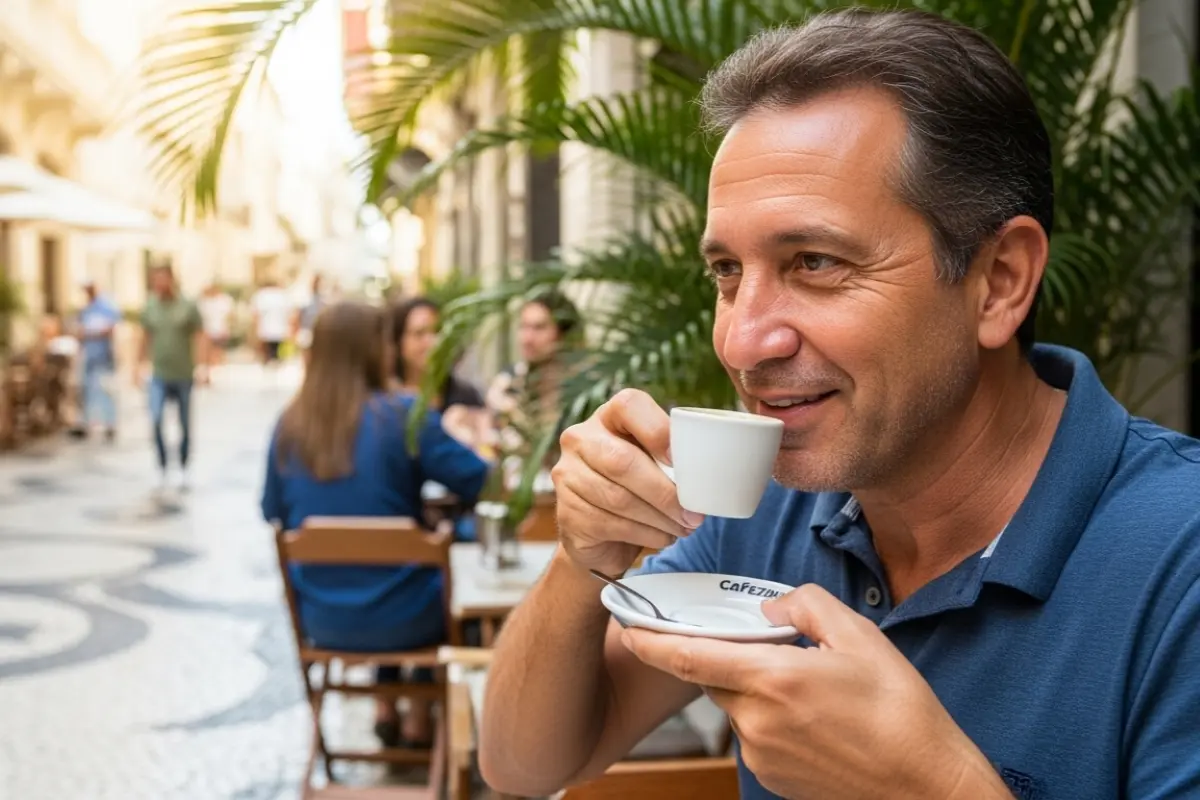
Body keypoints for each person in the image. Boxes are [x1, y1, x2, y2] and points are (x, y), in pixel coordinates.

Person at [478, 9, 1200, 800]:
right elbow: (523, 765)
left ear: (999, 282)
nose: (743, 342)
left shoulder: (1179, 558)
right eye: (726, 272)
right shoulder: (770, 509)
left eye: (815, 262)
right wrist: (582, 559)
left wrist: (934, 787)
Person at [261, 301, 489, 748]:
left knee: (391, 571)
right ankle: (420, 716)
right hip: (411, 618)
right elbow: (480, 480)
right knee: (433, 570)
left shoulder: (289, 424)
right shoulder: (403, 415)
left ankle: (387, 706)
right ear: (373, 349)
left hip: (323, 618)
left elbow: (272, 510)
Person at [485, 289, 581, 474]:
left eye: (539, 328)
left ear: (563, 332)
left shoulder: (586, 389)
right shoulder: (507, 383)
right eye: (523, 327)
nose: (527, 339)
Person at [390, 296, 489, 451]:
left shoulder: (466, 397)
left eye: (438, 331)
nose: (433, 342)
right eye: (419, 333)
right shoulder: (385, 401)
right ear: (398, 342)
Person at [138, 264, 203, 493]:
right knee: (156, 419)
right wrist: (138, 365)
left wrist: (203, 366)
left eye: (163, 279)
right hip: (159, 374)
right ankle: (162, 466)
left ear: (172, 279)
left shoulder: (187, 306)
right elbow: (145, 336)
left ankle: (184, 466)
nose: (159, 284)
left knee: (184, 423)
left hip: (183, 374)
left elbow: (200, 335)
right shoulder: (150, 307)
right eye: (156, 279)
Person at [72, 281, 122, 442]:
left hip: (103, 355)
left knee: (106, 389)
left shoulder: (106, 306)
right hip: (89, 355)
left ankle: (109, 424)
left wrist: (90, 333)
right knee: (86, 389)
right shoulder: (86, 309)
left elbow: (110, 328)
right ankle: (86, 424)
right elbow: (79, 332)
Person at [250, 279, 292, 367]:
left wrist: (255, 326)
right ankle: (274, 360)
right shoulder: (282, 295)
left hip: (267, 328)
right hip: (278, 328)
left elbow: (255, 314)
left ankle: (270, 360)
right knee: (274, 348)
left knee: (270, 348)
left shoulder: (262, 295)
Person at [198, 283, 233, 382]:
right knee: (206, 354)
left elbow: (229, 316)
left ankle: (211, 373)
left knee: (216, 353)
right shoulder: (203, 302)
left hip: (219, 330)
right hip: (206, 331)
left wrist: (227, 328)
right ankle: (206, 374)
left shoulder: (223, 301)